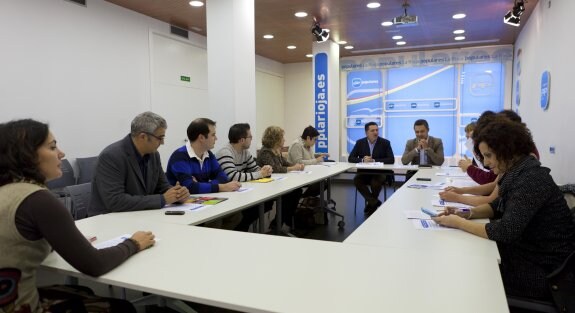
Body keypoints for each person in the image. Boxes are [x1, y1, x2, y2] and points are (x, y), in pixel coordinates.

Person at [0, 119, 155, 312]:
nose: (62, 154)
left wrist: (67, 240)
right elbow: (95, 265)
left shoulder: (7, 190)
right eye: (53, 147)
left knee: (80, 290)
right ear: (26, 155)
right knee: (122, 308)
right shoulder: (37, 199)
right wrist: (134, 243)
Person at [433, 117, 575, 300]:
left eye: (489, 155)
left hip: (547, 271)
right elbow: (496, 206)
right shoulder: (516, 171)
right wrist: (466, 213)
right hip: (528, 254)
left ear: (507, 149)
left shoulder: (531, 178)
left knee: (469, 270)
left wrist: (458, 223)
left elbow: (506, 231)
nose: (485, 163)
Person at [90, 112, 189, 216]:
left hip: (140, 215)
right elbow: (115, 201)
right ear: (143, 137)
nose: (163, 143)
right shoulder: (111, 156)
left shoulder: (154, 155)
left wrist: (178, 194)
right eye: (160, 138)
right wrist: (162, 199)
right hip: (108, 220)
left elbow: (162, 186)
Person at [166, 118, 242, 229]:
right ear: (201, 138)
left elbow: (222, 177)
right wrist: (220, 187)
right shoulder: (179, 156)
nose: (216, 138)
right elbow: (190, 187)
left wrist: (201, 184)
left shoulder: (208, 154)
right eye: (213, 135)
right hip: (181, 207)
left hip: (202, 203)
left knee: (236, 216)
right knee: (215, 220)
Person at [216, 123, 273, 231]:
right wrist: (260, 174)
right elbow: (232, 176)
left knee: (267, 202)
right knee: (247, 212)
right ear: (242, 140)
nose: (252, 139)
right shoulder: (225, 152)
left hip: (239, 193)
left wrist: (266, 170)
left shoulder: (245, 152)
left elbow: (255, 169)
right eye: (250, 137)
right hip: (226, 196)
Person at [257, 126, 304, 231]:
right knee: (292, 194)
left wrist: (297, 166)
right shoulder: (266, 152)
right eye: (282, 137)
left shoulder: (276, 150)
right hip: (266, 186)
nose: (284, 140)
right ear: (275, 138)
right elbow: (275, 169)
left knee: (296, 192)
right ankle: (279, 223)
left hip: (276, 183)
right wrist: (293, 168)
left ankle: (280, 221)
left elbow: (284, 163)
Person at [347, 122, 394, 214]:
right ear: (366, 133)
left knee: (375, 183)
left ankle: (371, 204)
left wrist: (374, 160)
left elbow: (391, 160)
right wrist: (362, 160)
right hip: (364, 172)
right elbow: (350, 158)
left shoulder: (385, 143)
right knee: (357, 180)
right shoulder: (360, 142)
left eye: (377, 130)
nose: (375, 132)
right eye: (372, 130)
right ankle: (374, 202)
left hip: (380, 173)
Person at [288, 125, 329, 198]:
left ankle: (307, 200)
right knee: (322, 183)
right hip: (297, 175)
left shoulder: (307, 144)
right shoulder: (297, 145)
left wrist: (319, 155)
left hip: (307, 172)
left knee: (324, 182)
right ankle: (304, 197)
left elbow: (309, 157)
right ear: (308, 138)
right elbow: (298, 162)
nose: (315, 142)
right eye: (315, 139)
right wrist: (316, 160)